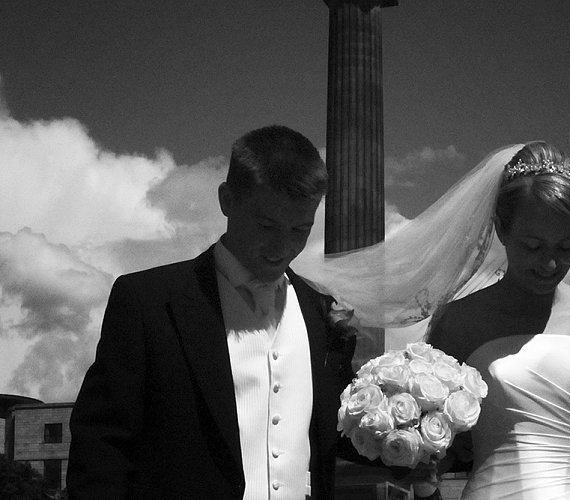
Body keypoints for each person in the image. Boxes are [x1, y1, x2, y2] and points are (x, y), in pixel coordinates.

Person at [294, 142, 570, 499]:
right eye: (533, 246)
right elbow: (443, 450)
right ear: (501, 229)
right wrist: (415, 453)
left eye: (566, 247)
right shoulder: (459, 321)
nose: (550, 264)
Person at [67, 125, 357, 500]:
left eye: (301, 229)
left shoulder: (322, 314)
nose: (283, 247)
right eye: (266, 225)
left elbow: (340, 436)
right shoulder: (146, 302)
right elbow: (100, 450)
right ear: (227, 200)